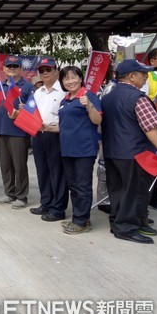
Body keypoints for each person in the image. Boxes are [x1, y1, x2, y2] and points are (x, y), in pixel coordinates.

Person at [101, 59, 157, 244]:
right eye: (143, 74)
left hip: (113, 152)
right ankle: (126, 227)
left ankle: (121, 222)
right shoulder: (138, 98)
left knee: (118, 190)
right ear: (131, 76)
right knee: (134, 192)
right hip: (136, 153)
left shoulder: (107, 96)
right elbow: (151, 128)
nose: (145, 78)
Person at [58, 66, 102, 234]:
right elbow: (64, 126)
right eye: (66, 79)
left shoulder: (89, 96)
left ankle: (81, 221)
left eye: (73, 77)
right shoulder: (65, 100)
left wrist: (89, 105)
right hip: (67, 149)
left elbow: (97, 120)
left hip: (84, 149)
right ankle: (79, 217)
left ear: (80, 78)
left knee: (82, 186)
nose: (70, 81)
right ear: (62, 82)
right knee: (73, 186)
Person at [30, 57, 68, 222]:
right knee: (42, 170)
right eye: (42, 71)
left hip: (56, 134)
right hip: (38, 134)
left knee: (57, 172)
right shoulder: (38, 92)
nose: (45, 73)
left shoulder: (64, 91)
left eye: (48, 70)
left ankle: (58, 208)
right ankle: (46, 203)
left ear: (56, 71)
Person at [0, 55, 35, 209]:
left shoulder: (28, 87)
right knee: (5, 165)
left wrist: (23, 112)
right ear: (4, 69)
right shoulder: (0, 86)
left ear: (21, 69)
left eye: (15, 67)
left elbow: (33, 111)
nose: (11, 69)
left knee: (19, 166)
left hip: (19, 132)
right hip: (2, 130)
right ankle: (9, 193)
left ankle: (21, 196)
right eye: (9, 67)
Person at [144, 48, 157, 212]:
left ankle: (156, 193)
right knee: (153, 164)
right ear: (152, 61)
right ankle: (152, 197)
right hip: (152, 129)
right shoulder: (147, 78)